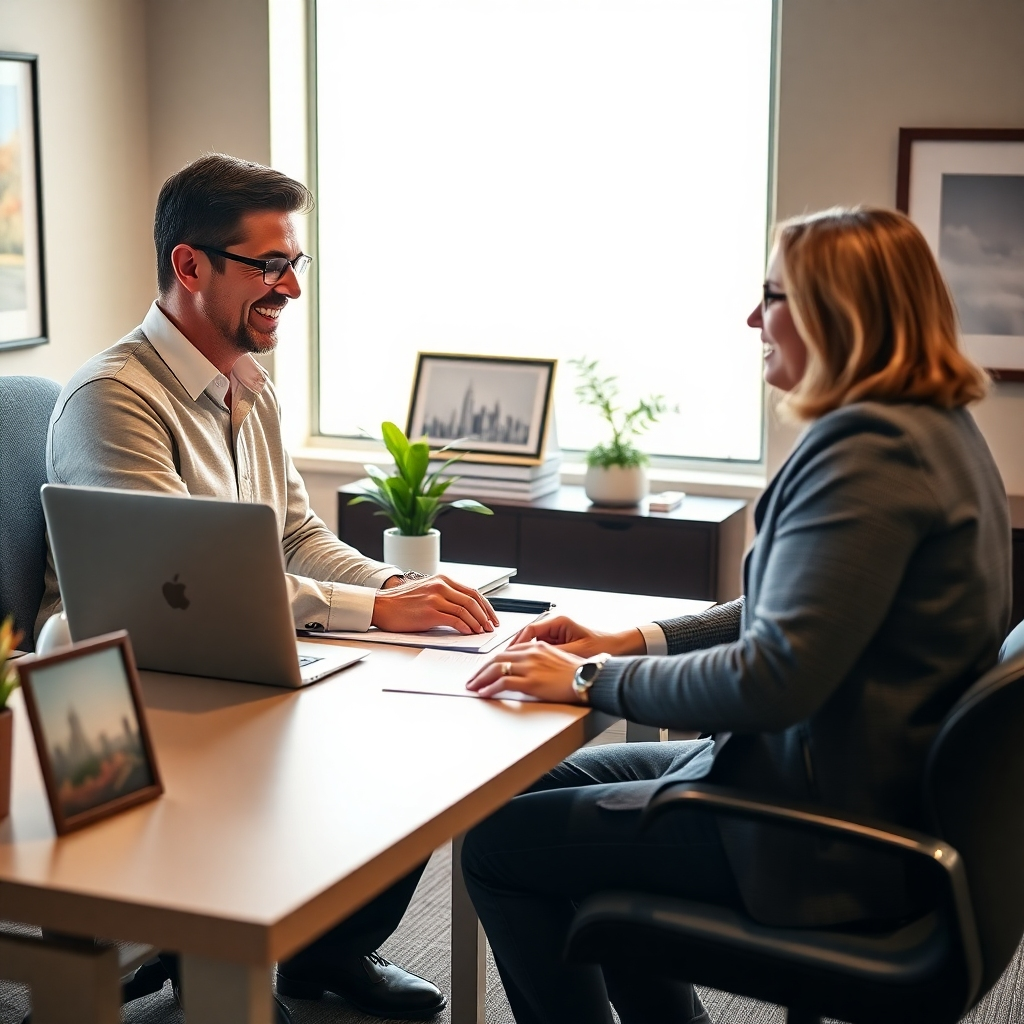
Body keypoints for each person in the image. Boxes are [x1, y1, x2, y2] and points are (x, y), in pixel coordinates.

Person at [459, 206, 1011, 1024]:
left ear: (836, 312)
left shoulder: (868, 452)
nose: (753, 318)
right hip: (846, 786)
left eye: (772, 296)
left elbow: (773, 681)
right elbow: (804, 604)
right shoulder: (933, 428)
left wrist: (588, 677)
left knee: (498, 847)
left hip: (819, 834)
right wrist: (637, 640)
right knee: (522, 803)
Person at [39, 154, 493, 1021]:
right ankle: (208, 956)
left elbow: (294, 537)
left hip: (235, 658)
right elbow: (178, 587)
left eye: (296, 264)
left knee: (422, 747)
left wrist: (399, 585)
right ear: (190, 265)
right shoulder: (114, 398)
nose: (290, 287)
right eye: (269, 265)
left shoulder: (252, 384)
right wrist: (377, 609)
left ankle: (322, 955)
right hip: (134, 682)